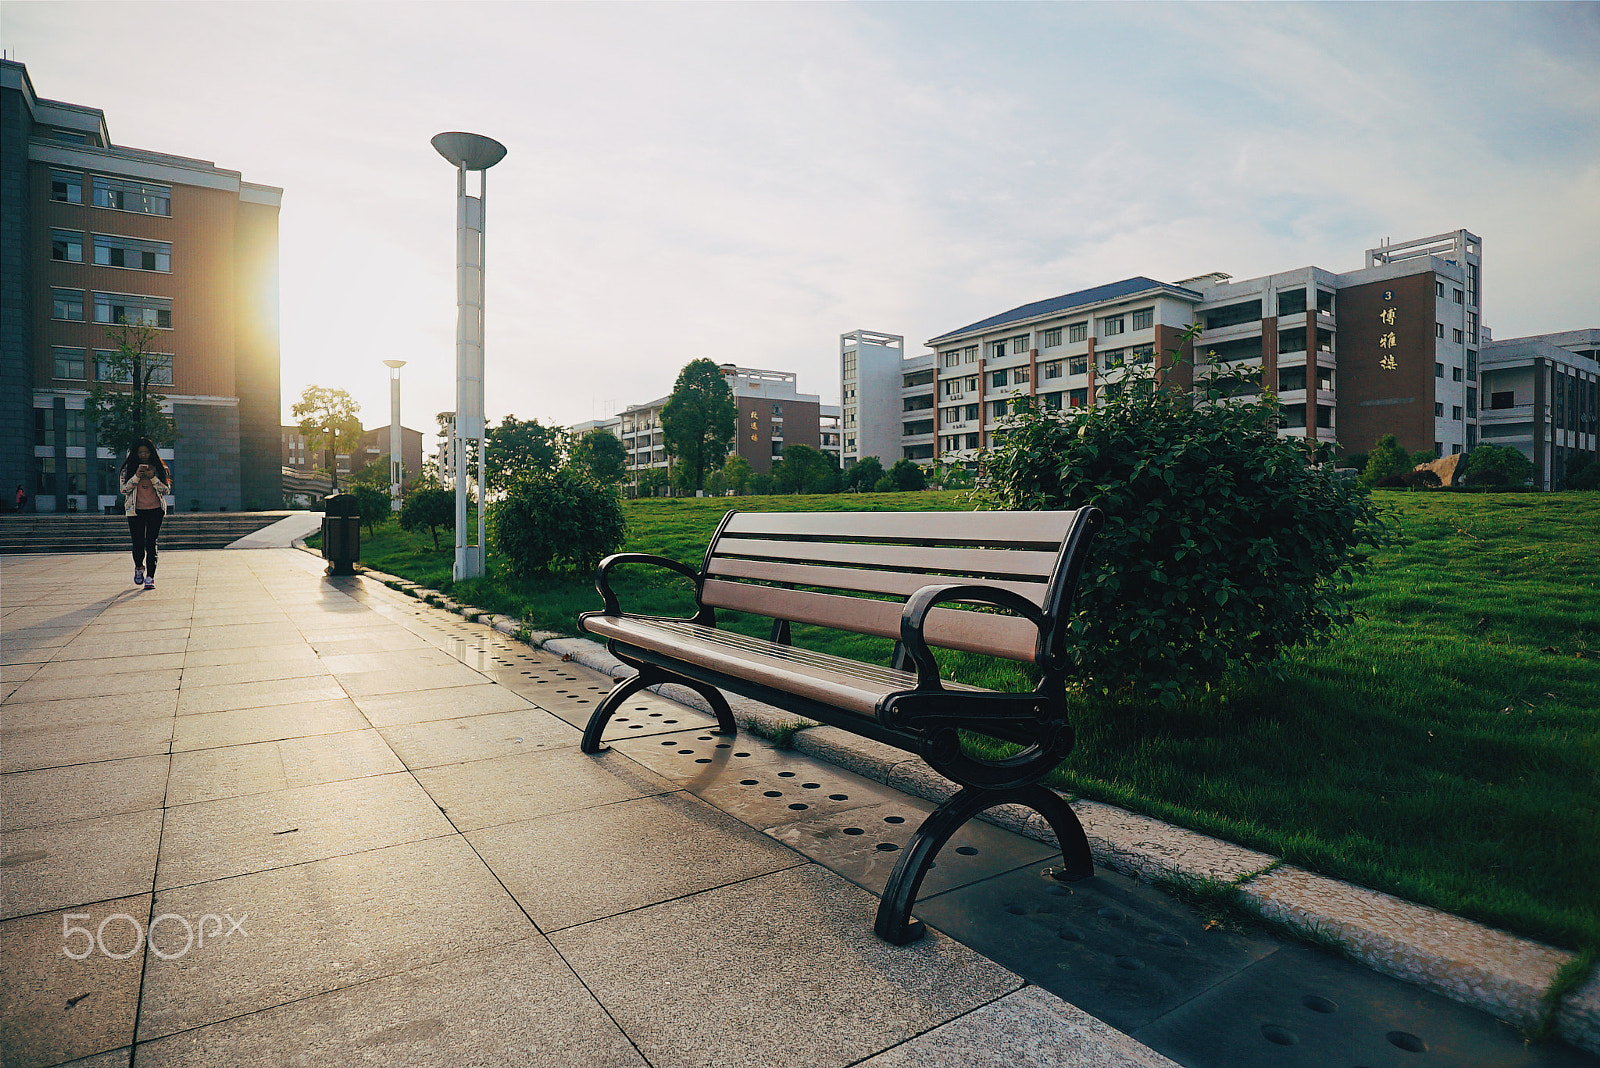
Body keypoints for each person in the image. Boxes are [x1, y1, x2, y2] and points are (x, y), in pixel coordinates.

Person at [119, 439, 171, 590]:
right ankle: (139, 568)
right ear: (135, 453)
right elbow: (123, 490)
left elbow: (166, 490)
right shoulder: (127, 469)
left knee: (151, 542)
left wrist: (153, 477)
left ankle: (150, 577)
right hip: (135, 511)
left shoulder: (160, 468)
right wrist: (136, 476)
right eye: (140, 452)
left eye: (146, 452)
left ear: (151, 453)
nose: (143, 455)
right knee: (138, 544)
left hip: (155, 510)